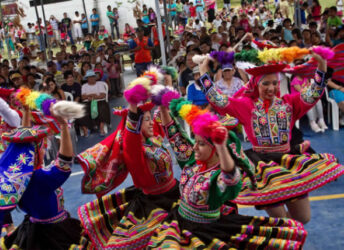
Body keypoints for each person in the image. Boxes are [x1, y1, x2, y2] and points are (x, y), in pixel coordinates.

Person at [197, 50, 344, 224]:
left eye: (275, 83)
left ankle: (289, 233)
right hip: (263, 169)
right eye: (266, 83)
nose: (271, 88)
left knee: (303, 217)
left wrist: (321, 64)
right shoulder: (246, 106)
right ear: (256, 85)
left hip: (289, 162)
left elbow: (314, 92)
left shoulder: (289, 103)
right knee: (281, 220)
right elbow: (218, 99)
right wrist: (204, 71)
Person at [146, 97, 307, 248]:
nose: (194, 146)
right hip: (178, 223)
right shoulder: (192, 162)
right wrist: (163, 105)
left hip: (204, 234)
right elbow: (175, 136)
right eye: (195, 141)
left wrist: (222, 147)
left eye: (201, 144)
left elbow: (231, 178)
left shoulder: (216, 177)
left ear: (215, 149)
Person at [76, 72, 194, 249]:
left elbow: (164, 122)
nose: (150, 123)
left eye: (149, 119)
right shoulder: (134, 149)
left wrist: (163, 94)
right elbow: (132, 131)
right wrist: (132, 102)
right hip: (154, 204)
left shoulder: (155, 139)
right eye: (146, 120)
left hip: (176, 193)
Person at [0, 102, 82, 248]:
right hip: (55, 233)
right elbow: (65, 161)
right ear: (34, 154)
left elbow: (24, 143)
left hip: (33, 229)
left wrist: (26, 113)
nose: (43, 149)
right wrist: (63, 126)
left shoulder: (15, 178)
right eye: (41, 146)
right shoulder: (41, 179)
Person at [78, 70, 110, 136]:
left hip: (99, 101)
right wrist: (93, 95)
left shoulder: (100, 84)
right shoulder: (84, 86)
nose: (91, 78)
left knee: (103, 108)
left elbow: (103, 95)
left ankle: (101, 128)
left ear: (95, 77)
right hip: (88, 102)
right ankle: (86, 129)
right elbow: (83, 97)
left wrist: (92, 97)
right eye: (89, 77)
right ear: (87, 78)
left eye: (93, 77)